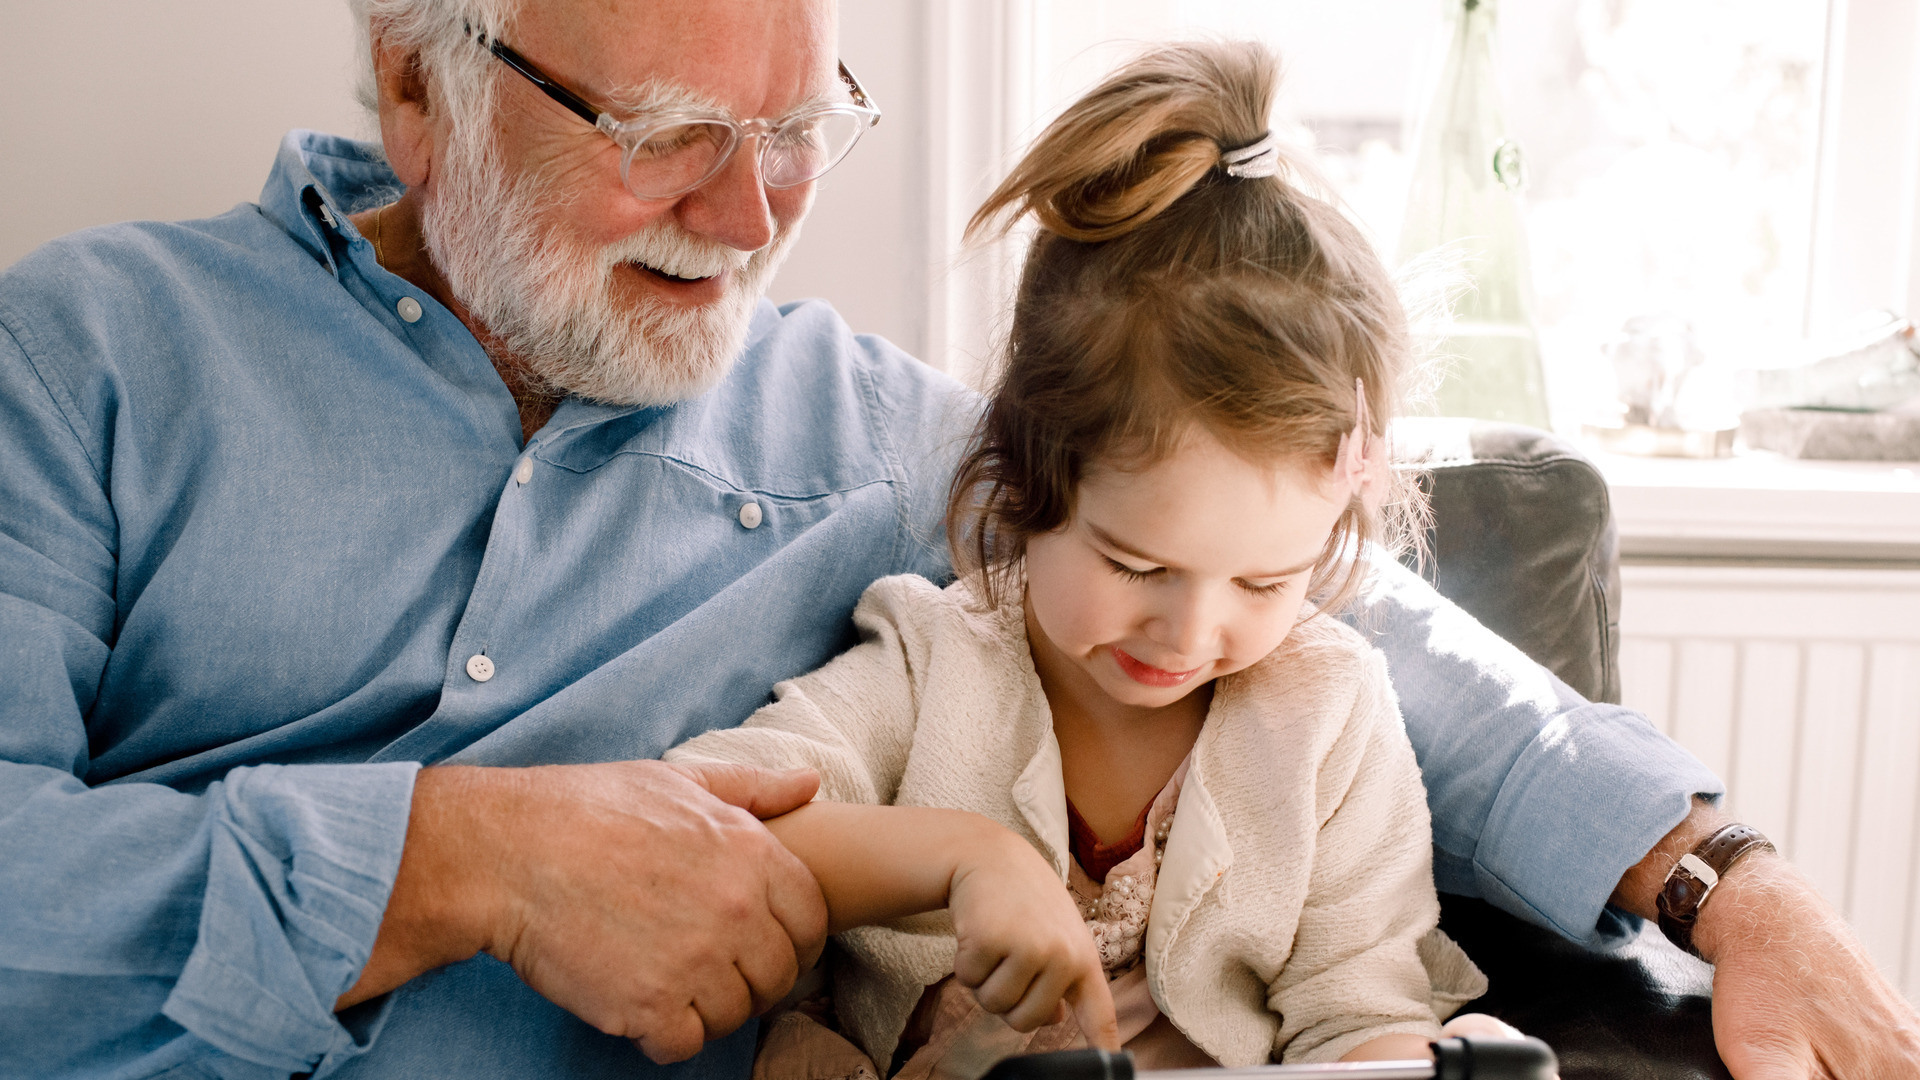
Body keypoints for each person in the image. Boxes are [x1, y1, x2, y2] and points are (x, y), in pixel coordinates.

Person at [0, 0, 1912, 1077]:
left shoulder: (878, 429)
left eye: (802, 124)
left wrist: (1732, 880)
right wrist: (454, 861)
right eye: (666, 128)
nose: (752, 217)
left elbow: (1362, 628)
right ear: (417, 81)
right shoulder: (80, 358)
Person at [663, 40, 1508, 1075]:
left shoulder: (1329, 713)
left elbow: (1354, 1007)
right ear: (1026, 484)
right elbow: (702, 821)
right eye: (1139, 567)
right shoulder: (935, 660)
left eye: (1264, 583)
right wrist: (964, 863)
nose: (1193, 632)